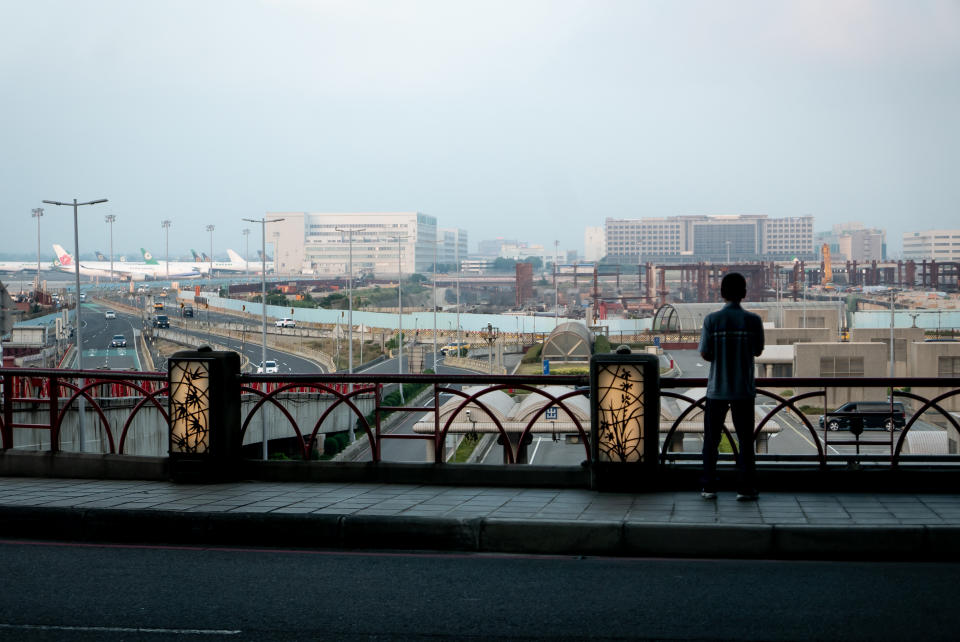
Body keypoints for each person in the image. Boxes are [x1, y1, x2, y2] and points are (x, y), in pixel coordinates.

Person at [698, 272, 765, 501]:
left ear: (722, 293)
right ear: (744, 293)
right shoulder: (754, 321)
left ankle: (709, 487)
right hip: (744, 389)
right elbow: (757, 350)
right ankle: (745, 488)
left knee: (711, 440)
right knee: (746, 441)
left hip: (717, 389)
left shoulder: (711, 320)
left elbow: (706, 353)